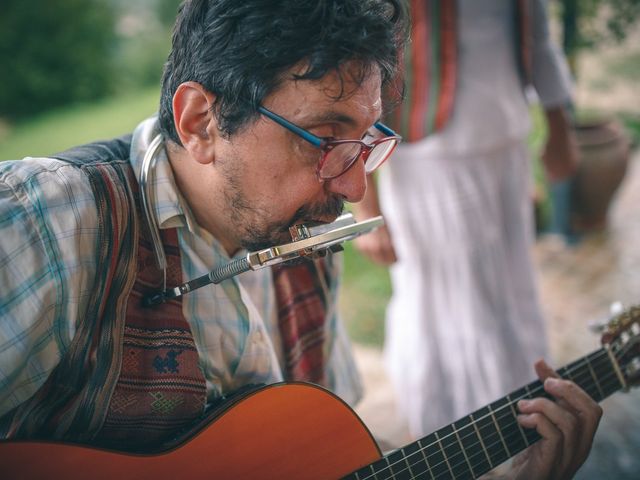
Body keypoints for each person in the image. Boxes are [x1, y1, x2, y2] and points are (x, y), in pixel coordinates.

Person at [0, 0, 600, 478]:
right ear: (201, 123)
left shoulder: (304, 236)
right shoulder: (52, 223)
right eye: (323, 137)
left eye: (366, 143)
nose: (356, 189)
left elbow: (325, 453)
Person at [354, 0, 581, 442]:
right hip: (429, 158)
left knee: (511, 289)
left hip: (505, 143)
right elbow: (365, 55)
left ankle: (522, 423)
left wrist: (560, 126)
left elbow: (536, 33)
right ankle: (460, 438)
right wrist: (367, 206)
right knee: (454, 301)